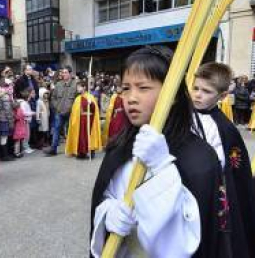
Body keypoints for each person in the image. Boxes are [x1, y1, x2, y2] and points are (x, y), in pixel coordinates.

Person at [91, 46, 224, 257]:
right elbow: (107, 195)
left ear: (172, 94)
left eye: (143, 87)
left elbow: (193, 238)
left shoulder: (200, 157)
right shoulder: (120, 147)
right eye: (126, 88)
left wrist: (162, 169)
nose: (131, 98)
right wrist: (107, 213)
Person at [191, 62, 255, 257]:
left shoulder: (224, 128)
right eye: (195, 88)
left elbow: (233, 168)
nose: (198, 94)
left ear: (222, 96)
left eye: (206, 91)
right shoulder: (182, 116)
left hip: (209, 195)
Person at [45, 65, 77, 156]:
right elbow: (53, 98)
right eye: (63, 72)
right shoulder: (58, 84)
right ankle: (53, 149)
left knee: (71, 131)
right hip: (59, 112)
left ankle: (72, 149)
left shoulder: (75, 84)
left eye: (66, 72)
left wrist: (72, 108)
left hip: (71, 112)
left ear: (70, 74)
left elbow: (78, 99)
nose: (64, 74)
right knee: (56, 129)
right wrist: (57, 107)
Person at [65, 81, 101, 159]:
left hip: (89, 120)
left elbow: (94, 110)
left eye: (79, 87)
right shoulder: (77, 99)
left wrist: (91, 103)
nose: (77, 88)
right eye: (77, 87)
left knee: (89, 136)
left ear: (84, 87)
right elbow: (74, 111)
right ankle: (82, 153)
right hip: (80, 121)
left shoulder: (90, 97)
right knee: (81, 136)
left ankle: (91, 151)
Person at [18, 89, 35, 154]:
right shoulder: (23, 103)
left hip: (27, 121)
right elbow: (24, 113)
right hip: (24, 121)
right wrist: (32, 113)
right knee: (25, 135)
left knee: (27, 134)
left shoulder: (25, 103)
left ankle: (26, 146)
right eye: (29, 97)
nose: (30, 98)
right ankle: (25, 147)